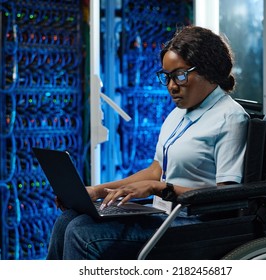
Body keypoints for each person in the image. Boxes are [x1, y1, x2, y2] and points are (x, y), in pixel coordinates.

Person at [46, 25, 249, 260]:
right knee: (68, 219)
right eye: (167, 76)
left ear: (208, 71)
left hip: (196, 225)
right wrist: (96, 191)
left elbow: (227, 196)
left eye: (180, 75)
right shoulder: (178, 114)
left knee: (82, 233)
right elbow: (156, 171)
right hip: (163, 216)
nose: (172, 86)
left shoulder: (231, 118)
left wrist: (160, 188)